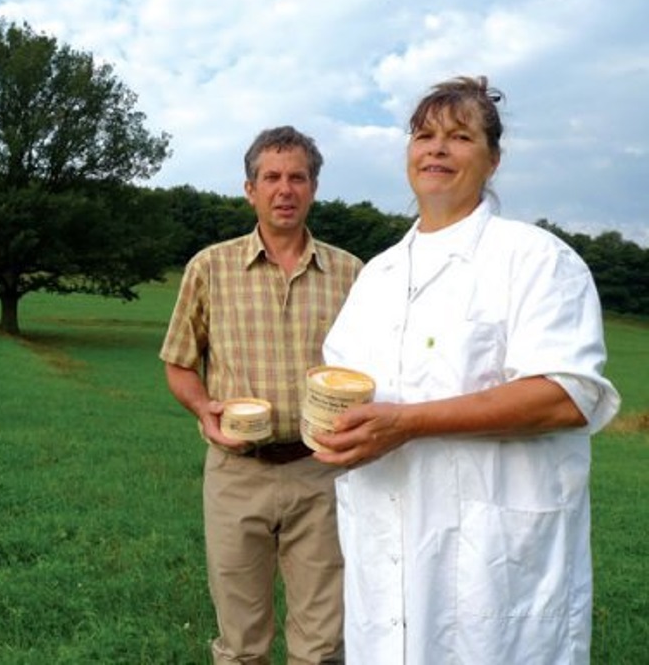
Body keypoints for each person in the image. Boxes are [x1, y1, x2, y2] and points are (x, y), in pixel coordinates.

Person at [314, 76, 621, 664]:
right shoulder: (375, 277)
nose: (436, 148)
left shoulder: (536, 259)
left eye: (459, 137)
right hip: (385, 549)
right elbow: (343, 389)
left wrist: (408, 423)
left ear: (493, 160)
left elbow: (564, 396)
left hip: (495, 565)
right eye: (424, 135)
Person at [160, 126, 362, 664]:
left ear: (314, 188)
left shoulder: (352, 274)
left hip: (322, 473)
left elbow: (373, 371)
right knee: (241, 644)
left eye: (298, 177)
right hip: (236, 473)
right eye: (271, 177)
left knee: (322, 644)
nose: (285, 189)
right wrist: (202, 408)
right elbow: (179, 362)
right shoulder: (210, 267)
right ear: (250, 189)